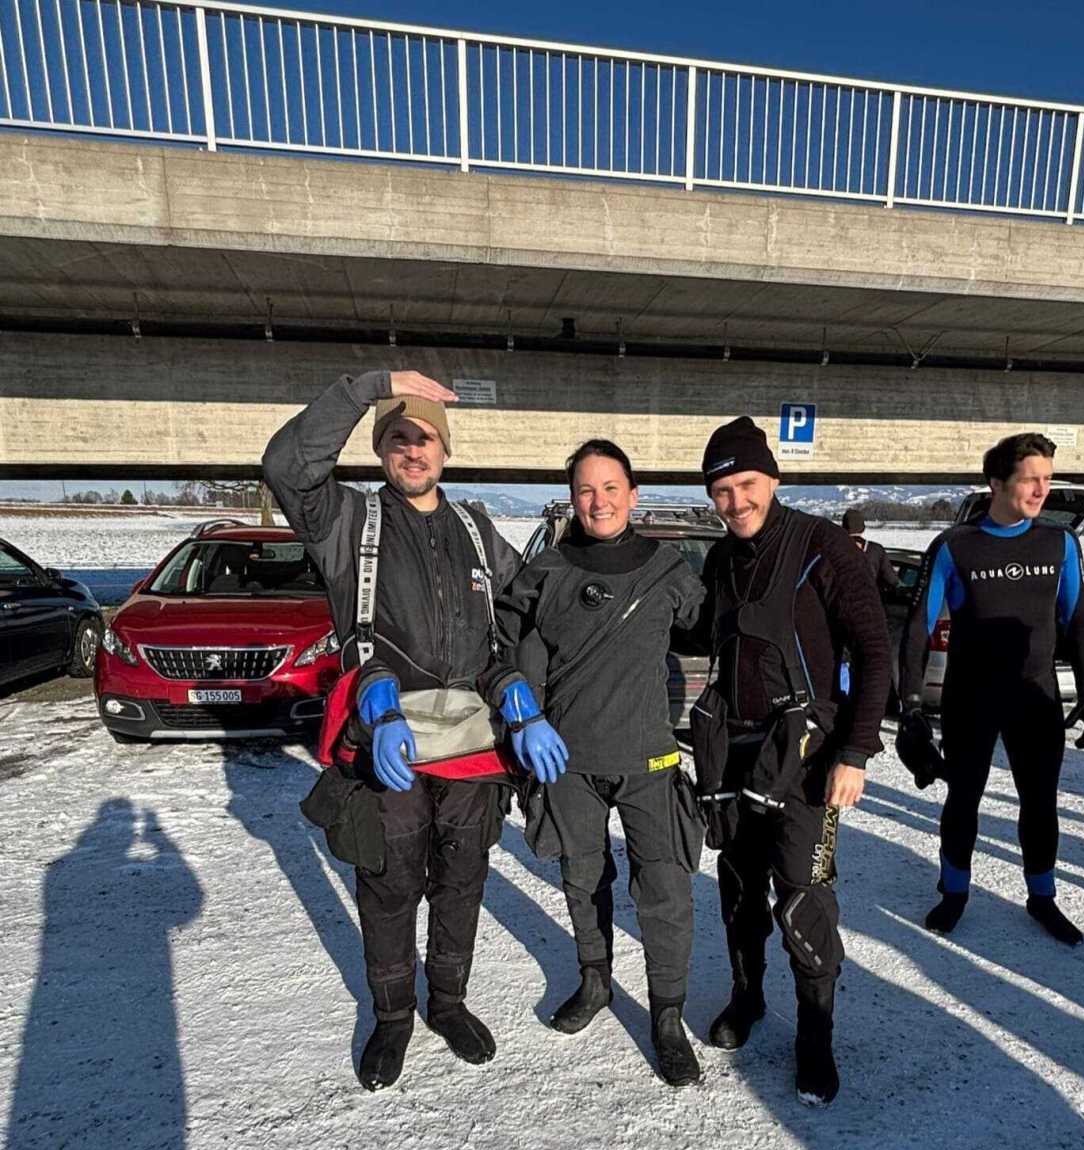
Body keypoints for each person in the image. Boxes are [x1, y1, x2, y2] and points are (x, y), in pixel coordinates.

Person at [262, 368, 522, 1091]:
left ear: (445, 451)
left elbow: (530, 612)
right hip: (388, 745)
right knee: (388, 884)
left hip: (471, 750)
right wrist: (365, 388)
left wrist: (523, 694)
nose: (413, 450)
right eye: (399, 438)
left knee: (462, 882)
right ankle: (393, 1016)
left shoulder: (477, 531)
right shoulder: (348, 521)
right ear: (379, 448)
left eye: (426, 438)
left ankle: (449, 1003)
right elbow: (286, 465)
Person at [481, 440, 708, 1086]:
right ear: (571, 499)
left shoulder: (667, 569)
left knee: (664, 889)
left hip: (650, 758)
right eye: (585, 489)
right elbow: (496, 645)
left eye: (610, 488)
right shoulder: (547, 569)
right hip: (568, 762)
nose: (598, 501)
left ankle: (667, 1015)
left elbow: (715, 628)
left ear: (633, 496)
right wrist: (517, 703)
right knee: (582, 879)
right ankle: (594, 981)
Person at [694, 417, 891, 1106]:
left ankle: (815, 1033)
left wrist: (855, 751)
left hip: (808, 756)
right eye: (721, 491)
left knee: (803, 898)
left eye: (746, 484)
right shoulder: (720, 560)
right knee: (739, 890)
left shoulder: (820, 544)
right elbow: (698, 636)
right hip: (734, 754)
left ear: (772, 480)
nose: (736, 501)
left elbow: (874, 651)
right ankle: (747, 997)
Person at [898, 431, 1084, 946]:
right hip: (971, 698)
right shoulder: (955, 546)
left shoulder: (1060, 543)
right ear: (996, 482)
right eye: (1030, 479)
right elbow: (918, 627)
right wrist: (911, 706)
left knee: (1040, 802)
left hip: (1036, 698)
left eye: (1047, 479)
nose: (1042, 490)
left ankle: (1042, 897)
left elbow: (1081, 618)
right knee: (963, 799)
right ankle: (954, 891)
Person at [841, 508, 900, 596]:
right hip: (869, 599)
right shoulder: (876, 550)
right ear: (863, 528)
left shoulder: (833, 549)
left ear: (843, 528)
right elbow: (891, 579)